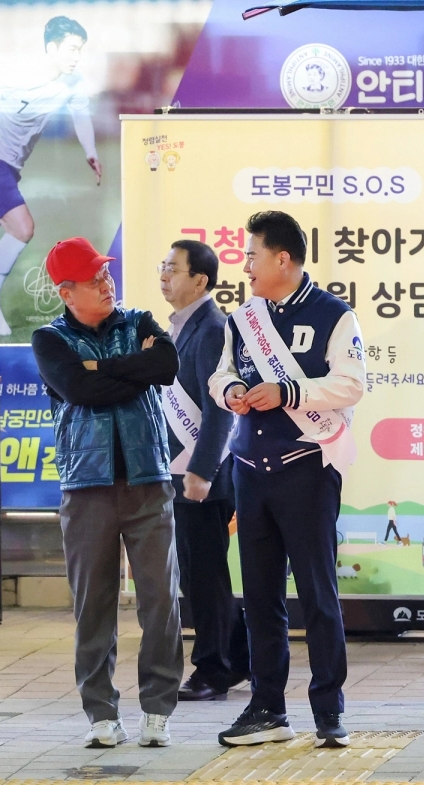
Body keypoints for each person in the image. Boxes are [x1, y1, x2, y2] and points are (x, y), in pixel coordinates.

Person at [208, 210, 365, 749]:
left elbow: (350, 386)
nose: (245, 266)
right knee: (260, 597)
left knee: (319, 594)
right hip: (250, 470)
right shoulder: (241, 318)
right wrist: (228, 392)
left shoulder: (334, 315)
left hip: (307, 471)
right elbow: (221, 372)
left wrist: (289, 393)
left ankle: (328, 711)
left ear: (282, 258)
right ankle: (267, 708)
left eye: (252, 255)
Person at [31, 236, 182, 749]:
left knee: (160, 601)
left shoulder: (138, 321)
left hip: (148, 479)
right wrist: (125, 373)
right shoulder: (49, 340)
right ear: (66, 291)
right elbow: (80, 391)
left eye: (106, 273)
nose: (106, 282)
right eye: (94, 279)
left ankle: (158, 709)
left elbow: (165, 368)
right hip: (86, 484)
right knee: (93, 604)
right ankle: (100, 712)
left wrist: (104, 368)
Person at [0, 15, 102, 336]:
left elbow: (81, 115)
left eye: (79, 50)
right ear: (50, 48)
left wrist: (90, 151)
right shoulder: (16, 73)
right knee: (24, 228)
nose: (75, 56)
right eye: (70, 49)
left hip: (8, 168)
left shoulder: (73, 83)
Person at [157, 239, 249, 702]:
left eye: (173, 268)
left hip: (201, 477)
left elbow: (220, 411)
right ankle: (237, 657)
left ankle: (213, 669)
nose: (164, 274)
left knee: (206, 575)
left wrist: (202, 471)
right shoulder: (179, 328)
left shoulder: (211, 328)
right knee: (197, 573)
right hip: (181, 471)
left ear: (201, 280)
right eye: (163, 267)